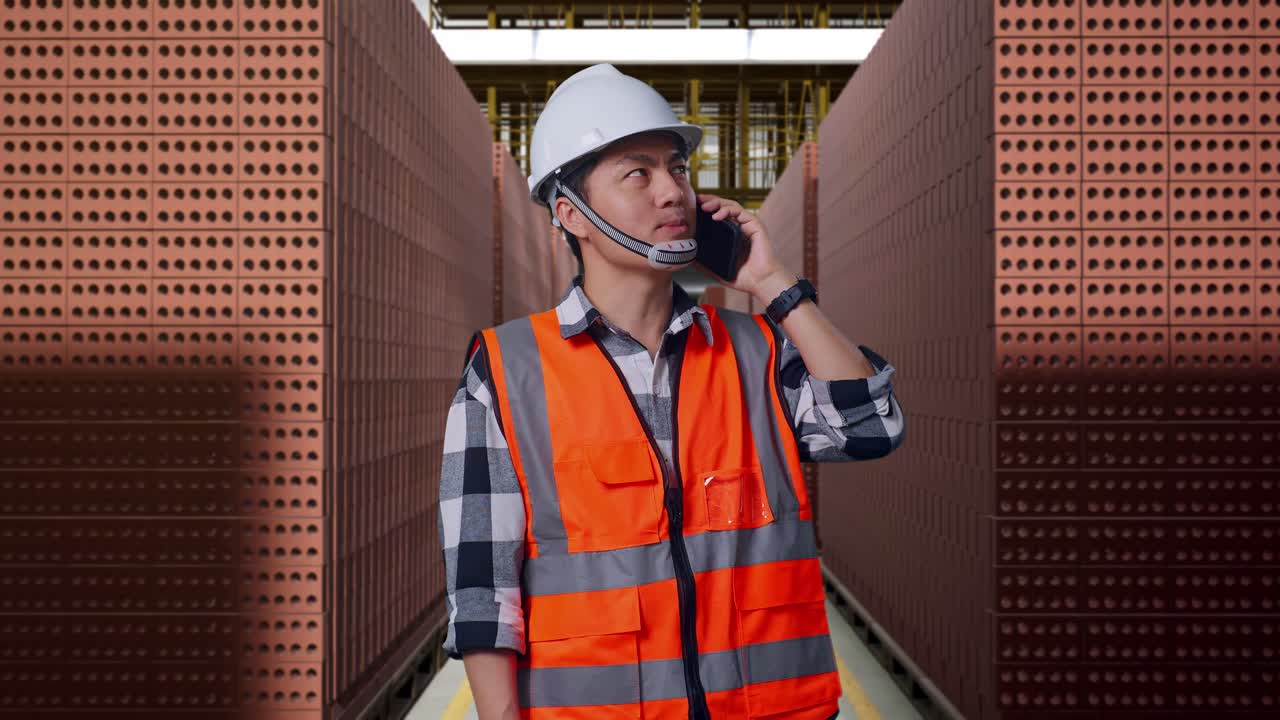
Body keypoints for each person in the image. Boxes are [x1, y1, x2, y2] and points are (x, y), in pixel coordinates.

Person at [438, 64, 905, 720]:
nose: (673, 192)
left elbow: (872, 427)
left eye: (678, 169)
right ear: (571, 215)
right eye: (639, 173)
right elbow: (483, 592)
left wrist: (774, 286)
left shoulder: (756, 350)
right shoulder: (506, 371)